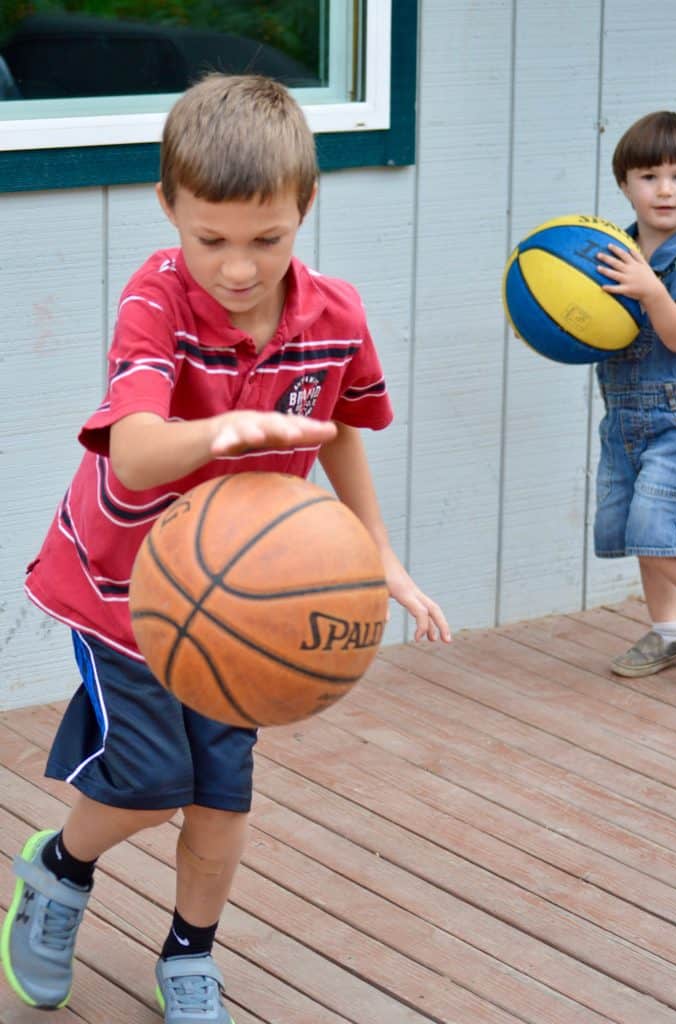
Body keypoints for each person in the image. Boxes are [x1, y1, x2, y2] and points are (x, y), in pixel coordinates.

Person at [0, 73, 451, 1022]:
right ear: (168, 207)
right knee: (152, 780)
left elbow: (340, 431)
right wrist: (221, 434)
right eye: (211, 239)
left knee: (221, 797)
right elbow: (134, 445)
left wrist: (379, 554)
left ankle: (189, 957)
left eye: (266, 239)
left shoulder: (334, 317)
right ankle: (59, 867)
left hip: (246, 601)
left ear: (306, 207)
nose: (238, 267)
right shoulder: (155, 301)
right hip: (122, 589)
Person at [594, 110, 676, 677]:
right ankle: (669, 631)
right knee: (637, 529)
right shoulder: (605, 250)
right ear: (624, 184)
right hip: (623, 417)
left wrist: (651, 291)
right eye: (650, 176)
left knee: (657, 525)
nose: (666, 189)